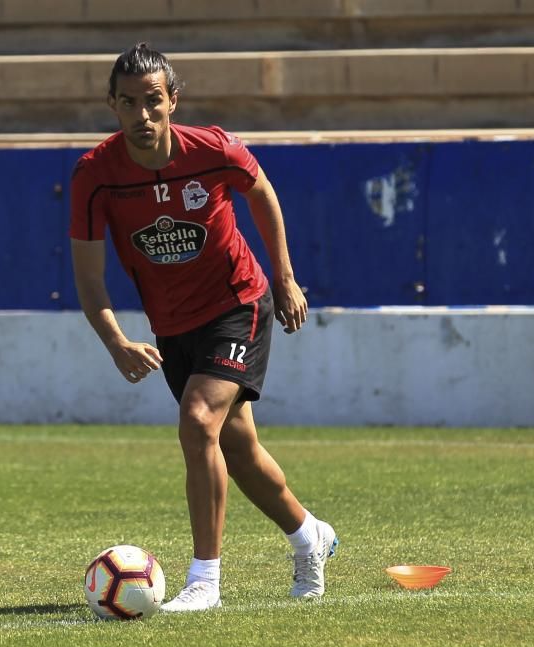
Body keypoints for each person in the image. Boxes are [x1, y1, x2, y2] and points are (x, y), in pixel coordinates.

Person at [69, 43, 337, 613]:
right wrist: (115, 342)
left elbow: (262, 192)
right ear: (111, 105)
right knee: (237, 449)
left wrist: (285, 279)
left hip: (239, 304)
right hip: (173, 327)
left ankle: (205, 581)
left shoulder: (212, 149)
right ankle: (308, 534)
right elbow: (90, 280)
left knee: (196, 422)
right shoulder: (94, 176)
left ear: (173, 101)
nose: (142, 116)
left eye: (153, 102)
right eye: (128, 104)